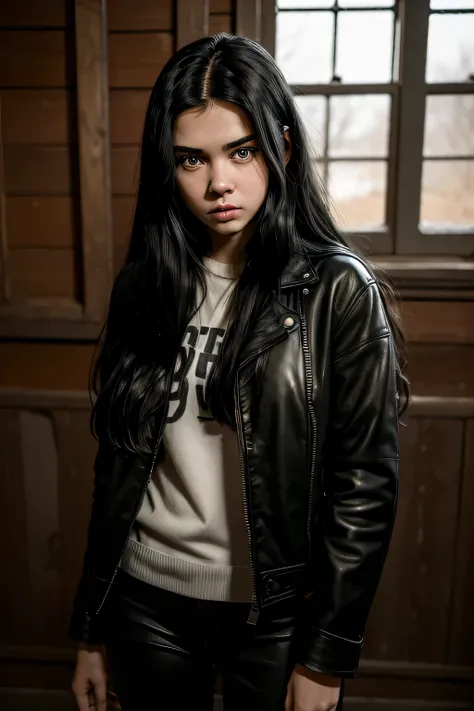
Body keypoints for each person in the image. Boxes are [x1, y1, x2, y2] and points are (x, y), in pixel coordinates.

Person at [69, 33, 408, 711]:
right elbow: (117, 466)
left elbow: (365, 485)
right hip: (145, 600)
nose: (218, 182)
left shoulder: (338, 290)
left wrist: (327, 656)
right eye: (192, 158)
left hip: (276, 615)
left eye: (240, 151)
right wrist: (90, 628)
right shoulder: (147, 282)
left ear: (280, 148)